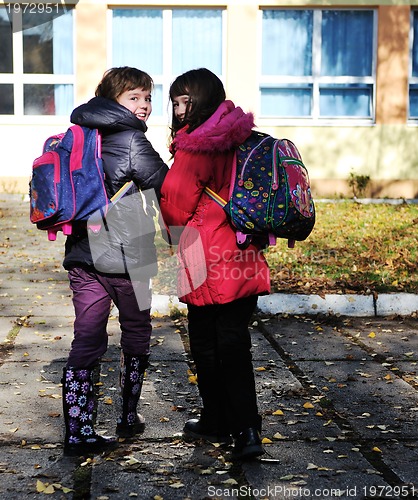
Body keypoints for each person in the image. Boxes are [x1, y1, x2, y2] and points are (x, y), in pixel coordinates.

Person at [159, 68, 271, 461]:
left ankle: (217, 419)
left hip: (204, 257)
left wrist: (173, 237)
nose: (174, 109)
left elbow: (175, 203)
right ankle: (247, 430)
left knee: (207, 345)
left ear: (196, 102)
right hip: (244, 253)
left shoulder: (195, 148)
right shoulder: (243, 137)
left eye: (179, 101)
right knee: (236, 344)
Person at [61, 67, 168, 456]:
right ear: (113, 100)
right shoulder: (131, 141)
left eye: (147, 97)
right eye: (134, 97)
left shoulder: (79, 134)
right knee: (136, 331)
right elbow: (166, 186)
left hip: (82, 254)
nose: (143, 105)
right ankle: (127, 415)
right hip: (130, 257)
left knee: (86, 337)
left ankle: (78, 429)